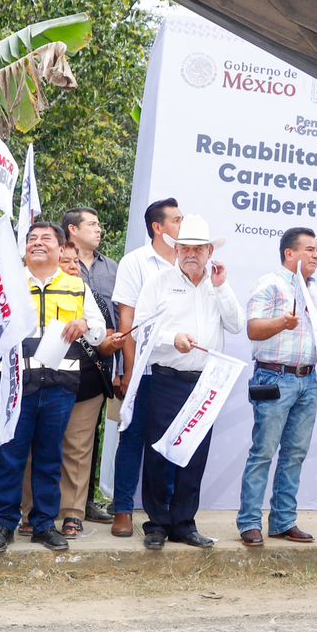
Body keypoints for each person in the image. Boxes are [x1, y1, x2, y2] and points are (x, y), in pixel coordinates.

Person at [0, 222, 106, 553]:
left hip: (60, 386)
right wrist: (0, 332)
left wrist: (86, 324)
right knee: (10, 456)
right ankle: (3, 524)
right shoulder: (7, 285)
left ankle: (45, 524)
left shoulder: (77, 286)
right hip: (17, 386)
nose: (37, 243)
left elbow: (100, 333)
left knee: (50, 457)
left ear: (61, 248)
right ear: (23, 248)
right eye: (31, 239)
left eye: (45, 239)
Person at [131, 214, 244, 550]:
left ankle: (184, 522)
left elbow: (237, 325)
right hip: (167, 379)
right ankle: (157, 524)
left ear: (210, 251)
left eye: (198, 248)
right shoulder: (159, 283)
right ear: (176, 250)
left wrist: (222, 288)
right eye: (185, 248)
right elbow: (141, 328)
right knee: (159, 453)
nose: (191, 254)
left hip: (207, 382)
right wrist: (172, 338)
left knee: (194, 454)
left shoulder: (218, 283)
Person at [23, 240, 120, 537]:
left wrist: (91, 329)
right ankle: (30, 512)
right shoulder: (28, 289)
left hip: (86, 381)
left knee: (77, 449)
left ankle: (72, 513)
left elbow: (104, 336)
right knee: (34, 449)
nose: (72, 267)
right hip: (38, 380)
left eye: (76, 262)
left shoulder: (85, 293)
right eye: (66, 262)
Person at [238, 226, 317, 547]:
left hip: (308, 379)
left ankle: (283, 521)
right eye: (310, 249)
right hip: (274, 377)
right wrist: (282, 323)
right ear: (290, 253)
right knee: (263, 452)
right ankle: (249, 522)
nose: (316, 255)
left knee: (295, 454)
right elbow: (253, 329)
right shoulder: (270, 284)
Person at [109, 197, 181, 538]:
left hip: (177, 370)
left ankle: (162, 512)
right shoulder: (136, 262)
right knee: (132, 439)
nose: (183, 226)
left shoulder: (187, 261)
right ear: (158, 227)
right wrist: (130, 370)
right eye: (177, 220)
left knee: (166, 442)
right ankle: (122, 509)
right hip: (144, 369)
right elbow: (127, 320)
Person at [62, 206, 119, 525]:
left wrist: (120, 367)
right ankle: (44, 504)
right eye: (92, 224)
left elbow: (119, 320)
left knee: (85, 440)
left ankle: (81, 505)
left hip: (97, 364)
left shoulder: (113, 268)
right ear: (72, 230)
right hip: (52, 363)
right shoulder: (54, 263)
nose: (99, 230)